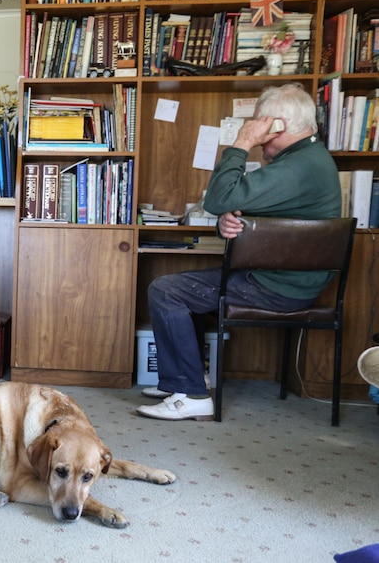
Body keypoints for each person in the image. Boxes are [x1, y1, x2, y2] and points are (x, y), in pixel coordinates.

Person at [137, 83, 342, 421]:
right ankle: (182, 380)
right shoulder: (305, 160)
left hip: (279, 287)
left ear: (276, 125)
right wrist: (226, 223)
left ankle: (192, 393)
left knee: (166, 290)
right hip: (279, 279)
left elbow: (217, 198)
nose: (256, 132)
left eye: (259, 124)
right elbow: (238, 210)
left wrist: (243, 142)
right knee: (178, 290)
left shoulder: (299, 167)